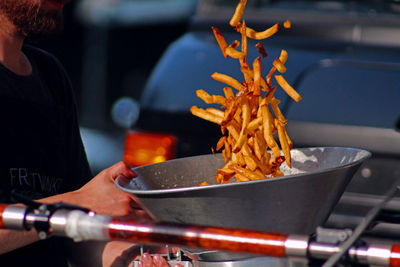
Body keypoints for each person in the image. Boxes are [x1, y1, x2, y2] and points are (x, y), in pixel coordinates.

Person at [0, 0, 163, 266]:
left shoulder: (50, 75)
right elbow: (78, 205)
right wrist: (81, 201)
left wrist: (133, 258)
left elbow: (75, 236)